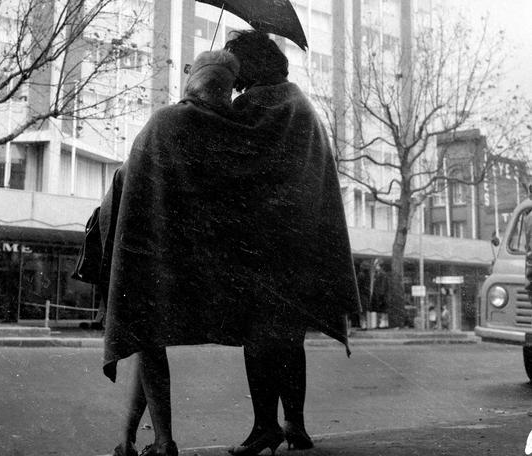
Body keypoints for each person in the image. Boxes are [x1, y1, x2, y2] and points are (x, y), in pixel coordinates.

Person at [223, 30, 360, 456]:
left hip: (263, 248)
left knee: (257, 339)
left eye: (235, 65)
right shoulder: (301, 104)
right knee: (289, 339)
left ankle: (266, 426)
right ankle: (295, 426)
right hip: (302, 251)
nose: (233, 73)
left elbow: (227, 161)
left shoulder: (254, 105)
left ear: (251, 65)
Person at [103, 49, 242, 456]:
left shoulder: (164, 121)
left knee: (148, 339)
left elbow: (131, 178)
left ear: (193, 81)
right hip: (200, 260)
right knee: (147, 340)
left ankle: (163, 442)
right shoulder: (231, 132)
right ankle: (127, 438)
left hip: (155, 252)